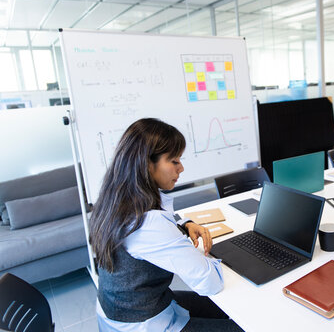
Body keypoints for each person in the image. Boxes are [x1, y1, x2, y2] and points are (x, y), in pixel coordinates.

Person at [89, 118, 242, 331]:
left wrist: (184, 224)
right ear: (147, 164)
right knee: (242, 323)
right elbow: (210, 283)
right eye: (174, 161)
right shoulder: (148, 223)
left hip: (119, 307)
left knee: (229, 310)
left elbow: (162, 215)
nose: (181, 168)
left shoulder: (115, 198)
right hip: (144, 323)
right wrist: (206, 256)